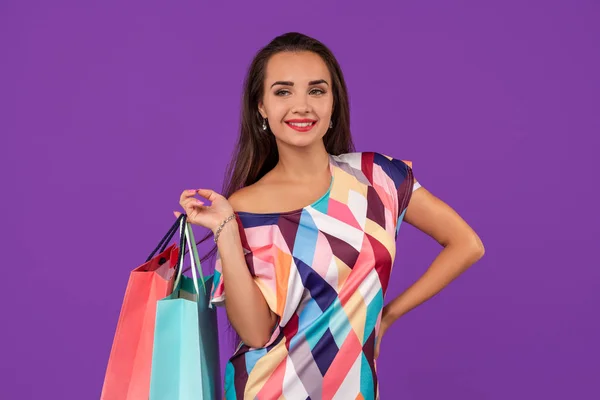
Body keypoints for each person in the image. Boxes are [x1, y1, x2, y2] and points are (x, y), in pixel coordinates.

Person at [174, 32, 484, 400]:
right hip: (269, 389)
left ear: (334, 102)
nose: (301, 106)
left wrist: (387, 316)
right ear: (261, 106)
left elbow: (467, 244)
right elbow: (256, 334)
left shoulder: (378, 178)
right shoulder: (245, 208)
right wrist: (225, 228)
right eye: (283, 91)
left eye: (317, 91)